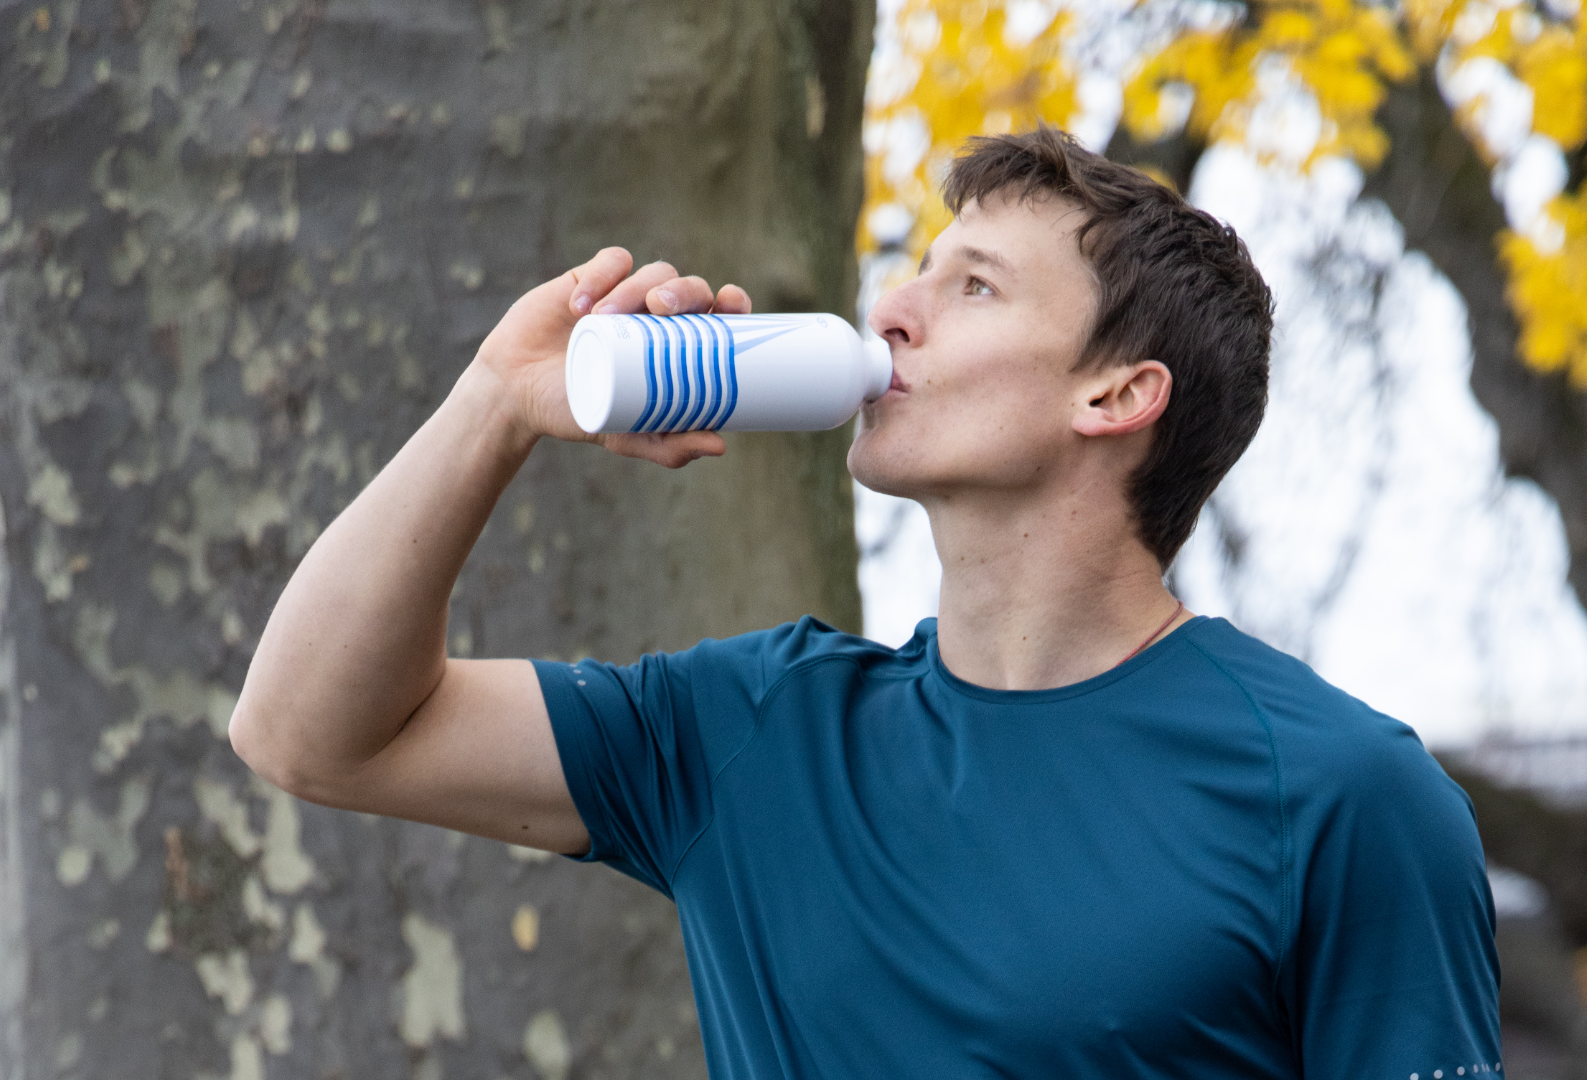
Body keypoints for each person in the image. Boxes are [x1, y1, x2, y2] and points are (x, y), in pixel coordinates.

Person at [232, 128, 1501, 1079]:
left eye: (975, 288)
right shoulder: (752, 730)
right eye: (916, 270)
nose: (890, 308)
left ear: (1117, 395)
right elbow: (311, 732)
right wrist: (496, 405)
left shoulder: (1341, 794)